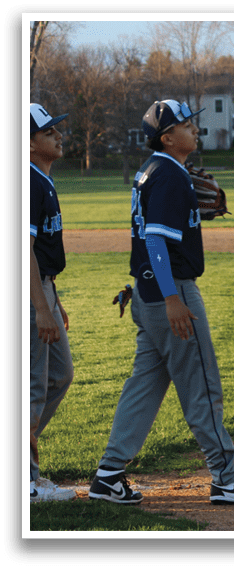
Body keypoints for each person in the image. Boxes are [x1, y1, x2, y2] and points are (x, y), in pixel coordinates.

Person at [89, 100, 234, 505]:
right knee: (202, 385)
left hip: (146, 291)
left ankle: (108, 475)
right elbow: (156, 240)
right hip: (169, 291)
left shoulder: (151, 170)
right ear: (167, 137)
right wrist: (174, 298)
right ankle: (226, 479)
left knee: (144, 385)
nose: (194, 128)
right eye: (186, 124)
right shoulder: (171, 175)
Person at [29, 104, 77, 503]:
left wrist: (54, 299)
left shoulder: (41, 179)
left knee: (58, 375)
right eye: (47, 133)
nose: (58, 136)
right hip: (30, 293)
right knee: (31, 384)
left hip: (43, 287)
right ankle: (25, 479)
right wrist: (41, 307)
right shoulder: (27, 181)